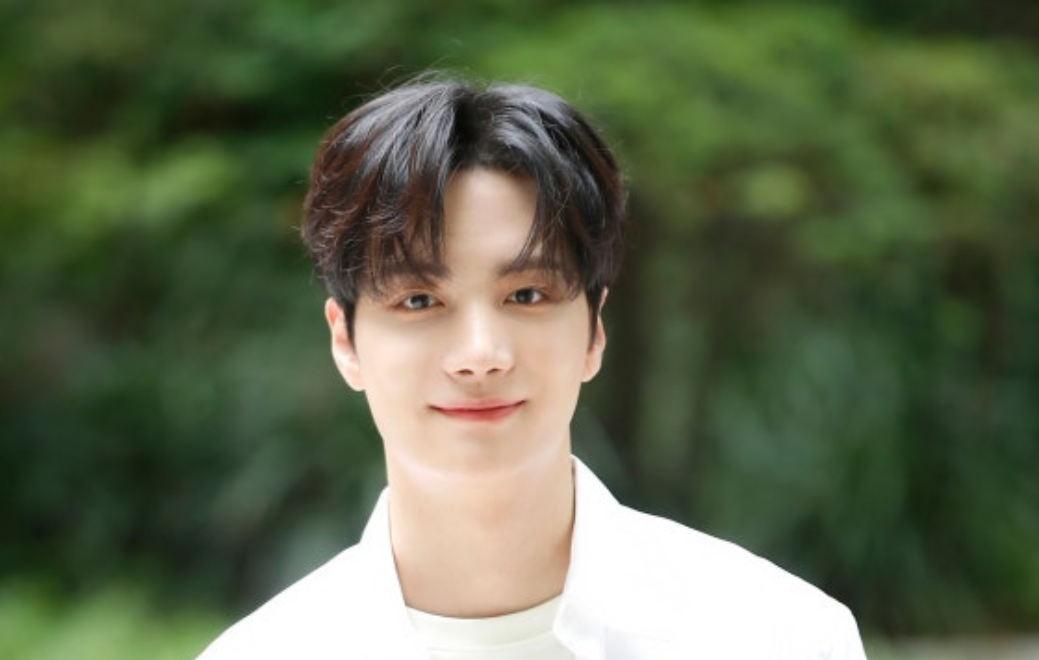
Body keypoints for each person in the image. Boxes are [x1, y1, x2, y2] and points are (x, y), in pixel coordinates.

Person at [196, 76, 867, 659]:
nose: (480, 355)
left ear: (594, 329)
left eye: (527, 295)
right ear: (345, 340)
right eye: (419, 300)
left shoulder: (779, 638)